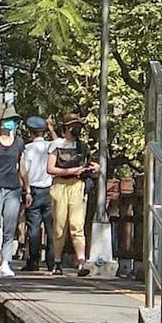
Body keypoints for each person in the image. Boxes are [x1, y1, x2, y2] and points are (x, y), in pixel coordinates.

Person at [47, 113, 97, 276]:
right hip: (60, 186)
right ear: (67, 127)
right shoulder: (57, 145)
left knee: (77, 225)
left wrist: (95, 168)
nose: (78, 129)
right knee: (60, 226)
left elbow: (89, 163)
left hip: (77, 186)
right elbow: (50, 169)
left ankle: (81, 263)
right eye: (74, 125)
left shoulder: (83, 147)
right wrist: (70, 170)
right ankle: (57, 262)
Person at [0, 105, 29, 276]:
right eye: (8, 120)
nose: (11, 124)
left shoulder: (19, 143)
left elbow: (22, 167)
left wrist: (27, 189)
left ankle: (6, 263)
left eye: (13, 121)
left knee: (10, 227)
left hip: (13, 189)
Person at [21, 115, 56, 273]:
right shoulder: (51, 146)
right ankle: (52, 262)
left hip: (33, 191)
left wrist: (25, 190)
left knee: (34, 228)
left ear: (31, 132)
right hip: (50, 190)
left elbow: (24, 172)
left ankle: (33, 261)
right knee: (51, 228)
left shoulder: (27, 149)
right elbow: (60, 145)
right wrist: (52, 129)